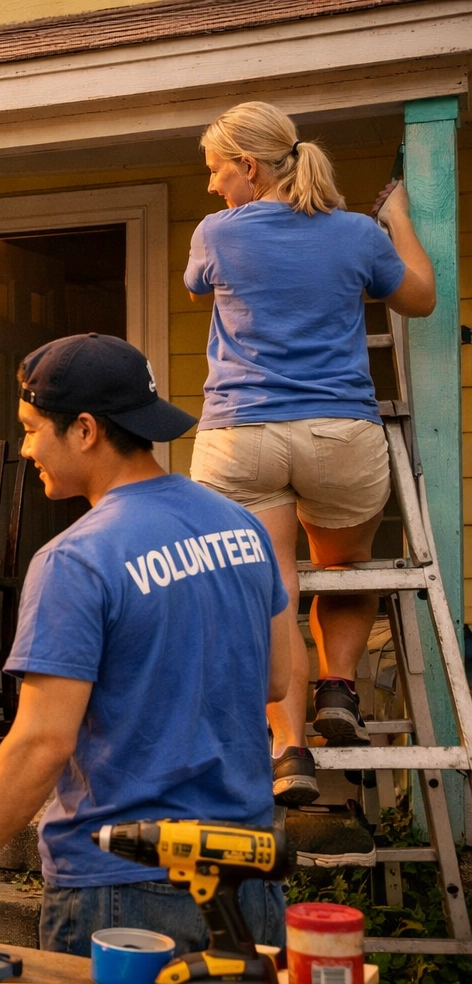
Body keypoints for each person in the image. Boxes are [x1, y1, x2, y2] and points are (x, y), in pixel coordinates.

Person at [0, 333, 291, 954]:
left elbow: (42, 740)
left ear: (84, 430)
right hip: (248, 876)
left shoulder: (76, 559)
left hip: (126, 888)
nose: (26, 448)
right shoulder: (242, 526)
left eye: (31, 430)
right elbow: (275, 679)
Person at [185, 101, 437, 806]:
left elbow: (200, 289)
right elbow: (421, 299)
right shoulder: (355, 233)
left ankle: (289, 749)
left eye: (216, 170)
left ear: (250, 166)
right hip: (339, 435)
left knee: (274, 588)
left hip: (241, 439)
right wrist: (398, 222)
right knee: (346, 568)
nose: (212, 185)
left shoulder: (216, 233)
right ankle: (338, 687)